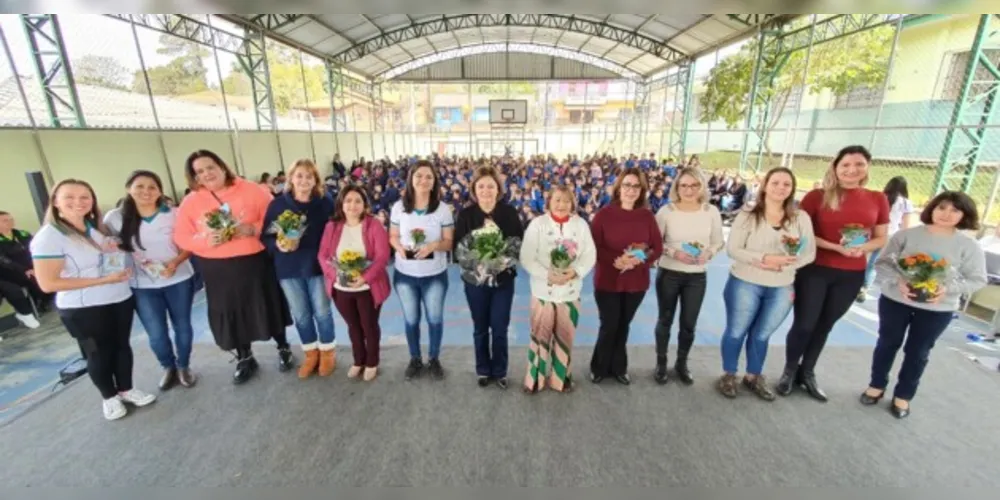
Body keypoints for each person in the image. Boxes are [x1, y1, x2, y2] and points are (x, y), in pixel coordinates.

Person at [31, 179, 156, 421]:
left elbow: (107, 259)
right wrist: (103, 281)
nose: (78, 202)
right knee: (97, 353)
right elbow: (48, 283)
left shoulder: (94, 229)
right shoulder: (49, 237)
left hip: (119, 298)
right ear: (55, 202)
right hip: (82, 308)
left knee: (122, 346)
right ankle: (109, 397)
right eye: (69, 197)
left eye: (84, 197)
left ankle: (126, 389)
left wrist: (118, 258)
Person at [777, 145, 890, 401]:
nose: (852, 170)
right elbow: (802, 234)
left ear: (867, 167)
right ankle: (789, 370)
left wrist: (863, 247)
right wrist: (835, 247)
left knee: (825, 325)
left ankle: (808, 372)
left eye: (859, 164)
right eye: (846, 165)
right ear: (836, 168)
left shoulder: (877, 199)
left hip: (851, 274)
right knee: (805, 324)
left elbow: (881, 237)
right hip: (815, 269)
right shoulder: (818, 196)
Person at [861, 191, 986, 418]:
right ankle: (876, 385)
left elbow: (977, 279)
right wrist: (897, 281)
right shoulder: (906, 235)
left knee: (918, 352)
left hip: (937, 309)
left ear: (964, 215)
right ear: (932, 208)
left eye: (955, 210)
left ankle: (904, 396)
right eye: (942, 207)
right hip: (895, 301)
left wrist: (947, 289)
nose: (946, 214)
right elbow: (883, 264)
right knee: (887, 343)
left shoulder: (969, 246)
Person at [174, 150, 294, 384]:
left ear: (222, 166)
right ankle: (244, 357)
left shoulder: (251, 189)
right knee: (231, 313)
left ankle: (283, 347)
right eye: (199, 171)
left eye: (210, 167)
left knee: (267, 304)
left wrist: (253, 229)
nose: (207, 174)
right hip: (217, 269)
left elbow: (276, 218)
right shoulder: (191, 201)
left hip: (254, 262)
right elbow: (182, 236)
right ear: (194, 177)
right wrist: (207, 240)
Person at [719, 167, 816, 400]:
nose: (781, 188)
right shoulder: (748, 214)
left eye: (786, 184)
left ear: (792, 188)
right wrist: (763, 260)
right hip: (745, 282)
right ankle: (729, 374)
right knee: (736, 331)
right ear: (765, 185)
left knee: (762, 335)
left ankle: (753, 375)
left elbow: (809, 252)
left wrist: (785, 264)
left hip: (782, 286)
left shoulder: (800, 218)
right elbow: (733, 249)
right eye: (775, 183)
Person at [104, 170, 198, 391]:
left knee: (182, 325)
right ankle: (168, 366)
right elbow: (108, 247)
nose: (146, 191)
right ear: (129, 188)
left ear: (160, 191)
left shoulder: (174, 214)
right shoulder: (114, 218)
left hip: (179, 279)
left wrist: (174, 263)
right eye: (140, 186)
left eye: (152, 187)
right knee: (156, 332)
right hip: (142, 285)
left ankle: (184, 366)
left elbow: (189, 245)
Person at [262, 159, 337, 379]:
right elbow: (265, 236)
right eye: (299, 175)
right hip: (288, 269)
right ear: (290, 178)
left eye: (309, 176)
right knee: (301, 315)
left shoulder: (325, 203)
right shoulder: (277, 205)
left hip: (318, 267)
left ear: (316, 180)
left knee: (322, 313)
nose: (304, 180)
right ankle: (311, 354)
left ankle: (327, 353)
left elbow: (336, 231)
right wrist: (278, 244)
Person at [589, 167, 663, 385]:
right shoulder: (604, 214)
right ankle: (599, 366)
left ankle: (619, 367)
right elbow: (594, 246)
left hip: (636, 282)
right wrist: (616, 261)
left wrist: (639, 259)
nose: (631, 190)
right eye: (627, 185)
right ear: (618, 187)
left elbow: (656, 248)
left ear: (642, 190)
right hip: (607, 280)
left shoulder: (647, 217)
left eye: (636, 186)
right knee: (609, 324)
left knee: (624, 325)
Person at [520, 185, 596, 393]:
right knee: (539, 336)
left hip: (570, 292)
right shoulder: (538, 224)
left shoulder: (580, 225)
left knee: (565, 337)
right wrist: (548, 275)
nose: (561, 205)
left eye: (566, 200)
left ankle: (561, 378)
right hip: (543, 292)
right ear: (549, 203)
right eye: (557, 200)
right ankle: (534, 379)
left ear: (572, 203)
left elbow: (589, 255)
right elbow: (527, 257)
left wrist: (575, 272)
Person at [453, 165, 523, 389]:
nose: (486, 190)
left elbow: (516, 246)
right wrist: (480, 264)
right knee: (480, 327)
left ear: (498, 189)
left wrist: (499, 263)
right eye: (481, 186)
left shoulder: (509, 213)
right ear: (474, 189)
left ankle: (500, 371)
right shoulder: (466, 215)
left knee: (500, 327)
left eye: (490, 186)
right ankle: (483, 369)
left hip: (503, 281)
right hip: (476, 283)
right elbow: (459, 250)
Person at [652, 167, 724, 385]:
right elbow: (656, 243)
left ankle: (681, 363)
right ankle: (661, 362)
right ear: (677, 187)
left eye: (693, 185)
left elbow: (718, 241)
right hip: (669, 273)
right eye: (683, 185)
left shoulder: (711, 211)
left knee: (688, 324)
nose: (688, 190)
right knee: (665, 320)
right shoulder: (666, 211)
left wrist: (708, 253)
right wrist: (675, 253)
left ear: (701, 186)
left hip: (696, 277)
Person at [389, 160, 455, 381]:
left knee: (434, 319)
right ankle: (415, 358)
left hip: (434, 275)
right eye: (419, 176)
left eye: (428, 176)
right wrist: (399, 248)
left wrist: (433, 246)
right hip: (405, 275)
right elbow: (393, 236)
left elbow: (449, 242)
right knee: (411, 320)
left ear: (434, 181)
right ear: (411, 179)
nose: (423, 180)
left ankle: (434, 358)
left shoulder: (443, 210)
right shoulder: (399, 207)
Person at [318, 185, 391, 382]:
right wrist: (336, 275)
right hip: (341, 288)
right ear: (341, 203)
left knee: (369, 325)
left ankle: (372, 361)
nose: (352, 205)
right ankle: (358, 360)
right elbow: (323, 255)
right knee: (353, 326)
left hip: (367, 288)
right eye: (348, 200)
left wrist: (365, 278)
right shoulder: (331, 227)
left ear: (364, 204)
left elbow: (382, 256)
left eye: (358, 201)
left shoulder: (373, 225)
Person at [859, 176, 915, 302]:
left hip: (871, 232)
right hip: (889, 236)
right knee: (874, 263)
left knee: (862, 258)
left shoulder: (879, 197)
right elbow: (906, 226)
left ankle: (854, 283)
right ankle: (864, 288)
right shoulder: (906, 203)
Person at [0, 211, 46, 328]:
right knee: (21, 285)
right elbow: (5, 261)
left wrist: (37, 266)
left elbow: (36, 249)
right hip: (11, 273)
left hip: (32, 267)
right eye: (5, 220)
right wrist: (25, 270)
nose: (10, 222)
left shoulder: (22, 234)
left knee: (45, 276)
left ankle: (41, 303)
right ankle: (28, 311)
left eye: (11, 219)